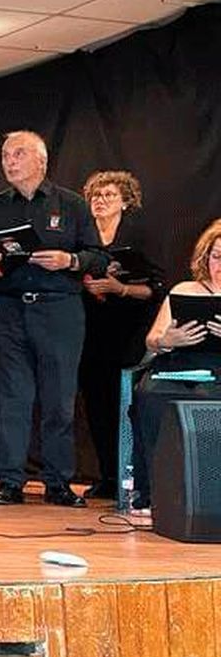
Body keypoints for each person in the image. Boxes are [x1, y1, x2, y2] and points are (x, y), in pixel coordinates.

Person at [0, 131, 106, 507]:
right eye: (4, 155)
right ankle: (10, 481)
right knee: (11, 398)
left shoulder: (73, 205)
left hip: (58, 309)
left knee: (59, 399)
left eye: (18, 154)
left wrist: (71, 261)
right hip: (7, 308)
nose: (9, 161)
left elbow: (99, 255)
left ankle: (58, 482)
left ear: (41, 161)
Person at [78, 170, 161, 499]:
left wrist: (120, 287)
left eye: (109, 195)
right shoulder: (83, 237)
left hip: (127, 329)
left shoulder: (137, 238)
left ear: (126, 202)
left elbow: (155, 290)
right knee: (95, 405)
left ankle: (130, 475)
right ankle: (107, 476)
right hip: (89, 328)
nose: (100, 200)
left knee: (123, 405)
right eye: (95, 196)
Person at [132, 220, 221, 510]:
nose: (220, 264)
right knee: (151, 395)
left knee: (208, 398)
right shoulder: (186, 289)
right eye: (217, 255)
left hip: (217, 370)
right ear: (205, 257)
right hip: (179, 364)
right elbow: (151, 340)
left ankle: (206, 494)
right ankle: (154, 493)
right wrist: (168, 338)